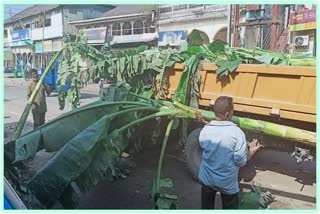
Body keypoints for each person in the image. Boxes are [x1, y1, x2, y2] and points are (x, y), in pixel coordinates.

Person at [198, 96, 263, 209]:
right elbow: (240, 161)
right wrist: (250, 152)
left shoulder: (205, 130)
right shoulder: (237, 133)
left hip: (207, 179)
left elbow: (204, 147)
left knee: (206, 207)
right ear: (228, 114)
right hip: (226, 183)